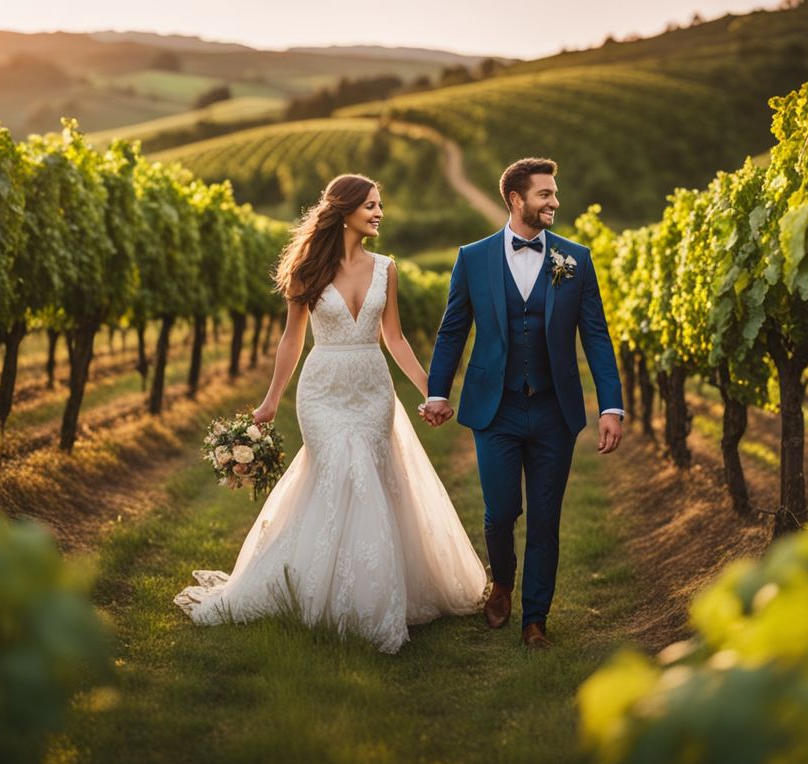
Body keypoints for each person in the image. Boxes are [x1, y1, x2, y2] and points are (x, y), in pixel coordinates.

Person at [174, 174, 487, 654]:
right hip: (321, 391)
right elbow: (292, 339)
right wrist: (271, 399)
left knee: (371, 478)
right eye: (370, 206)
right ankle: (329, 599)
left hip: (372, 389)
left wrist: (434, 390)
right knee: (344, 471)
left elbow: (395, 339)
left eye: (380, 205)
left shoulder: (387, 268)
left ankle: (370, 599)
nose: (379, 213)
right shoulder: (307, 269)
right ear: (344, 212)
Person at [422, 157, 624, 650]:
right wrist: (437, 390)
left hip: (555, 410)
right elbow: (453, 329)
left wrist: (611, 406)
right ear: (516, 200)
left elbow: (596, 335)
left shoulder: (576, 258)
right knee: (500, 511)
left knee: (546, 519)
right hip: (497, 408)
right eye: (545, 194)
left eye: (555, 193)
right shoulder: (473, 258)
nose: (555, 202)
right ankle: (503, 582)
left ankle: (535, 620)